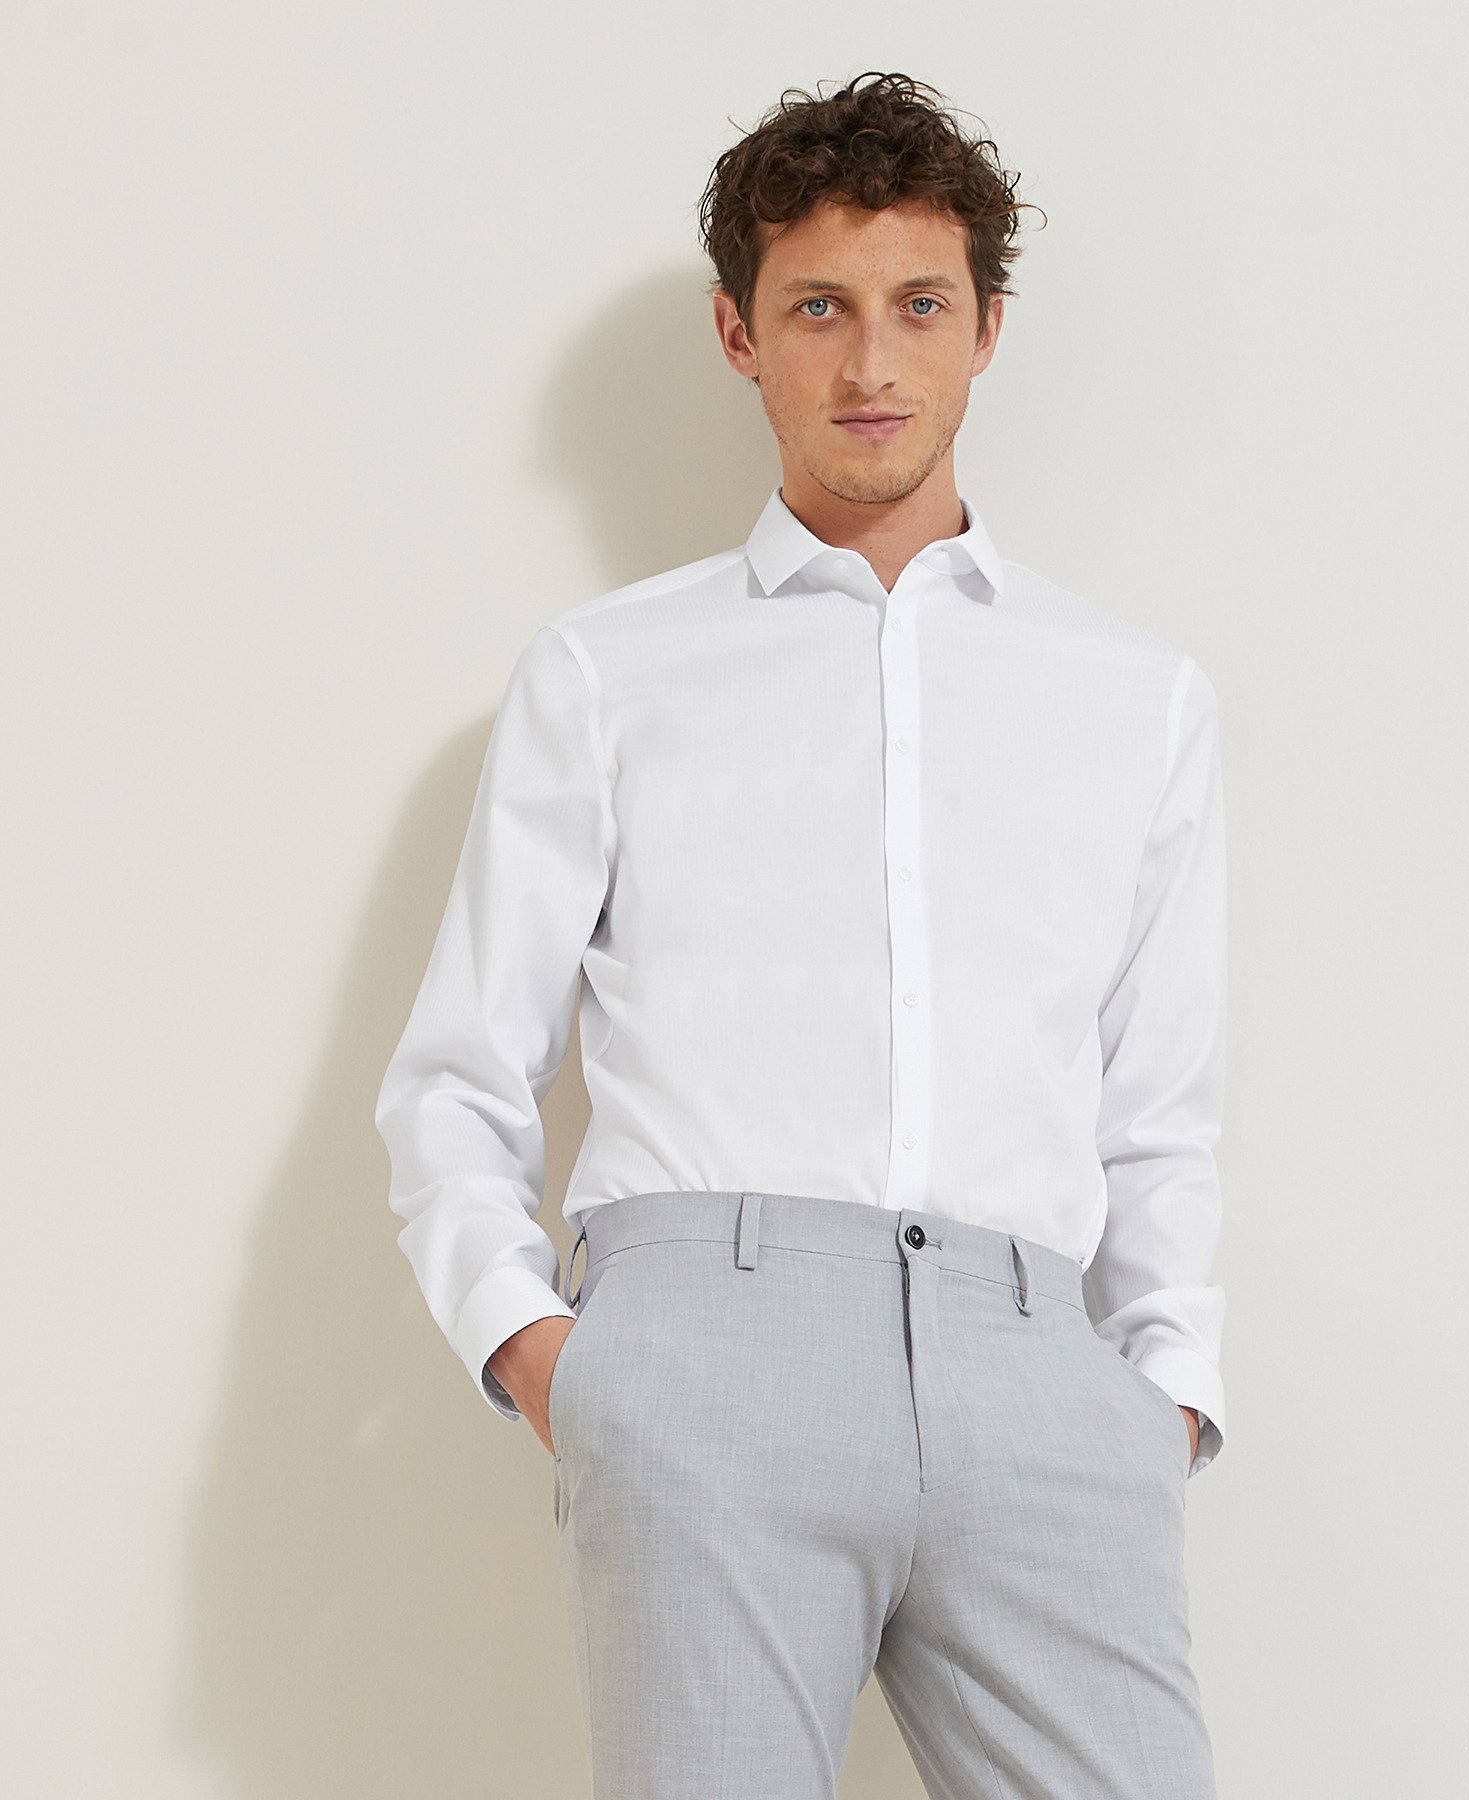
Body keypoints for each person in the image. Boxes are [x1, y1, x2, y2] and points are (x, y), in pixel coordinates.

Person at [375, 68, 1228, 1799]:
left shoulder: (1135, 698)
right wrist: (554, 1364)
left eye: (920, 305)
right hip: (706, 1364)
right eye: (817, 308)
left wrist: (1167, 1397)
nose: (870, 363)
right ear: (738, 333)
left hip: (1043, 1377)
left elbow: (1160, 1104)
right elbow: (458, 1074)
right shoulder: (610, 674)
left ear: (988, 328)